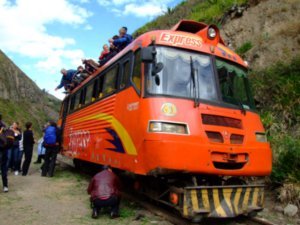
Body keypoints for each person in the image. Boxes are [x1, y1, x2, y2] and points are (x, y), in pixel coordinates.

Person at [0, 124, 14, 192]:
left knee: (3, 168)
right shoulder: (4, 127)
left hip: (2, 150)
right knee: (3, 169)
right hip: (4, 150)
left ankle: (5, 186)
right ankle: (5, 186)